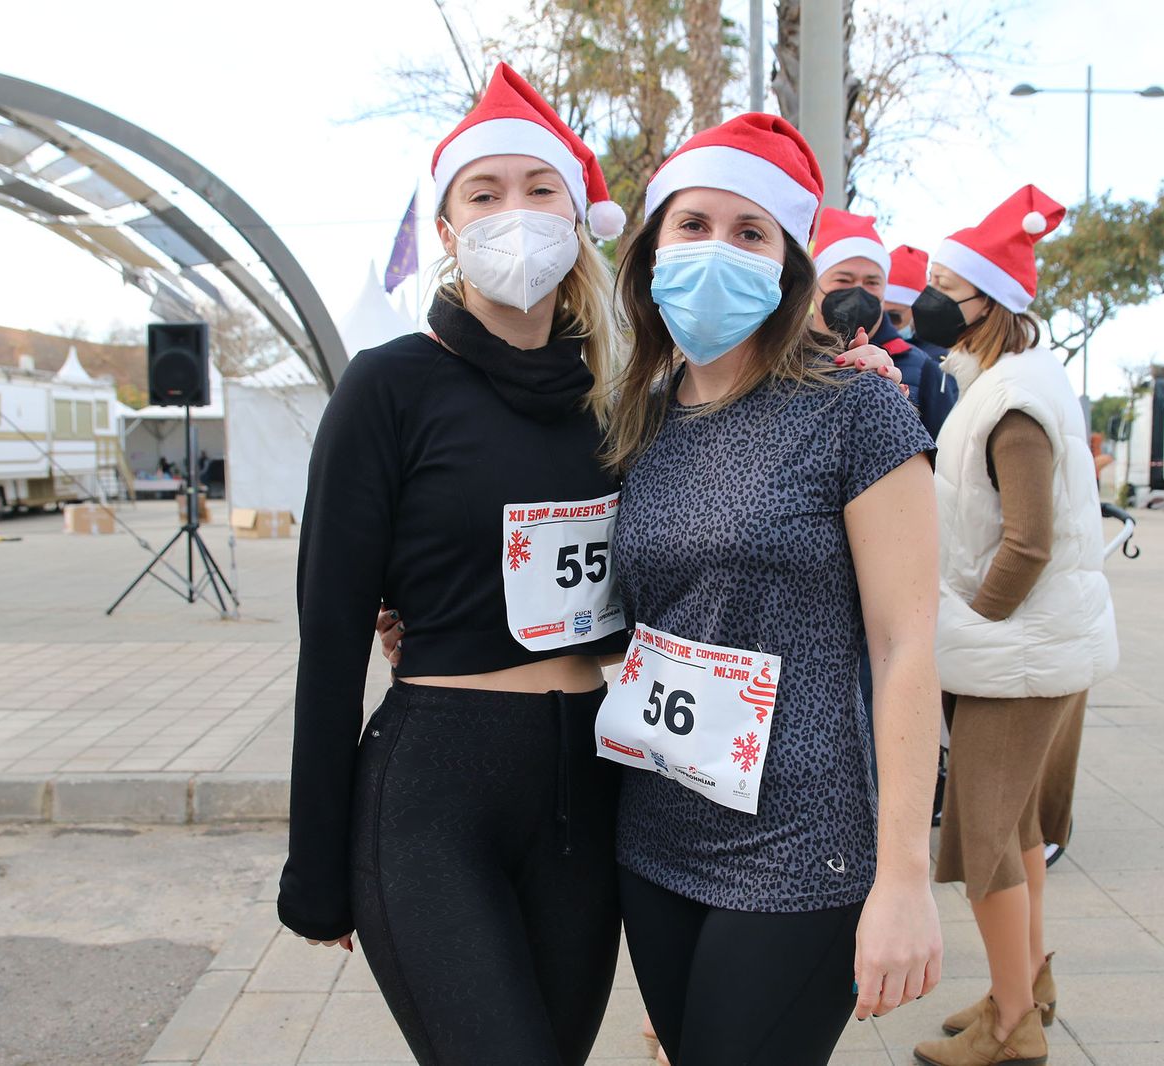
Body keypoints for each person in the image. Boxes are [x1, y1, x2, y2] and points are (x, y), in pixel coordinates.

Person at [278, 63, 636, 1066]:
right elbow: (333, 631)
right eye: (484, 194)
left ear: (579, 215)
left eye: (539, 189)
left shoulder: (621, 396)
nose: (512, 213)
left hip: (589, 782)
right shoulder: (386, 387)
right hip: (434, 787)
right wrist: (316, 863)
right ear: (444, 228)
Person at [600, 114, 945, 1065]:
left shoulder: (854, 406)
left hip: (804, 845)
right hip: (656, 834)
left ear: (790, 265)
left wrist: (906, 877)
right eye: (695, 223)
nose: (719, 248)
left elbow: (907, 645)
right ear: (651, 250)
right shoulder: (639, 418)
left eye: (752, 232)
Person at [908, 186, 1119, 1066]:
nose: (926, 296)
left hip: (1015, 658)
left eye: (946, 282)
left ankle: (1012, 1031)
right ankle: (1022, 983)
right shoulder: (1010, 381)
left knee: (986, 839)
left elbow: (1026, 542)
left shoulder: (1013, 402)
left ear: (990, 298)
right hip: (1037, 650)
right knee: (1022, 829)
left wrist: (970, 626)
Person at [811, 210, 956, 435]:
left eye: (872, 282)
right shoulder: (779, 351)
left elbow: (942, 458)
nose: (858, 291)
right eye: (843, 279)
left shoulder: (923, 368)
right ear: (814, 285)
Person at [884, 243, 959, 434]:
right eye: (879, 314)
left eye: (893, 316)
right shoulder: (858, 343)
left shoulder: (938, 361)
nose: (885, 325)